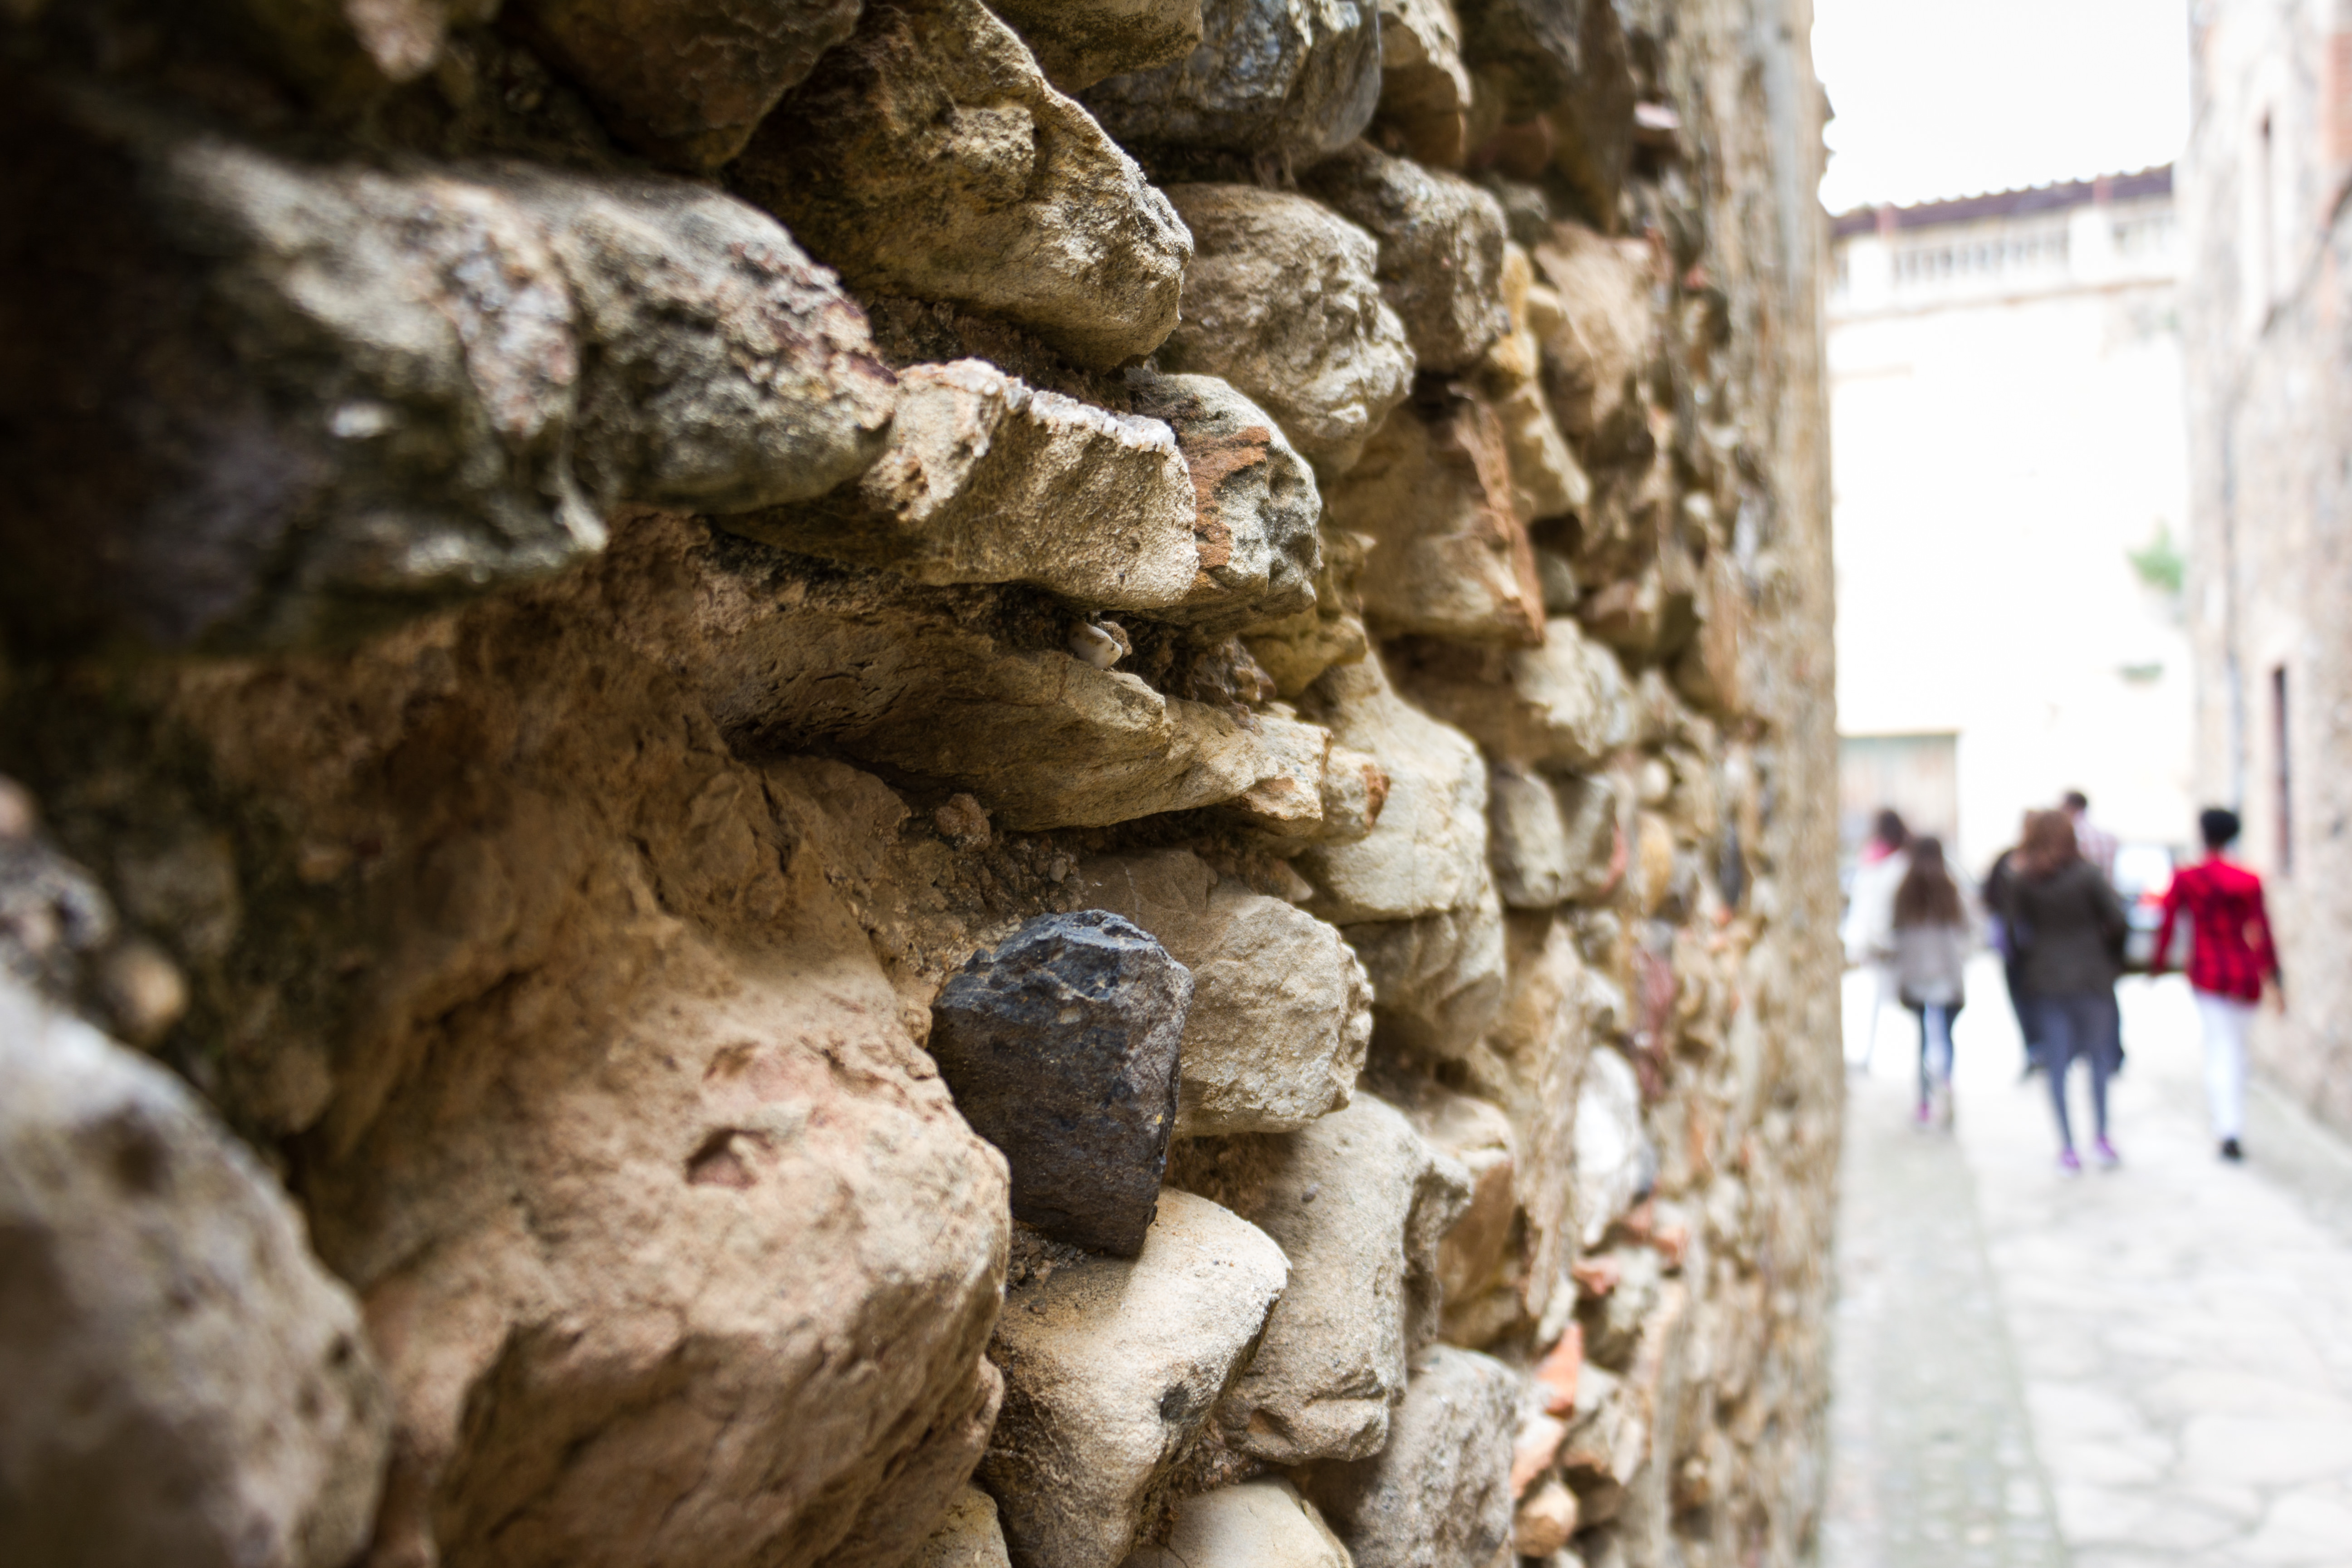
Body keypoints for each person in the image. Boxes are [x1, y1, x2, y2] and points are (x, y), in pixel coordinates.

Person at [2150, 807, 2283, 1161]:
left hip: (2209, 973)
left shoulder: (2189, 878)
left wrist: (2157, 965)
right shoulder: (2247, 879)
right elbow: (2263, 931)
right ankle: (2232, 1123)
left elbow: (2167, 923)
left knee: (2221, 1050)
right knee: (2236, 1050)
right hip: (2245, 974)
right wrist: (2274, 976)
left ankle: (2228, 1128)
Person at [2007, 809, 2129, 1172]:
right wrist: (2111, 957)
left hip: (2047, 979)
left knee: (2057, 1063)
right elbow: (2118, 920)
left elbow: (2013, 933)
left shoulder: (2023, 880)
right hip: (2092, 975)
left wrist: (2030, 963)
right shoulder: (2087, 875)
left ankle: (2068, 1147)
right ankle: (2101, 1137)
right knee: (2098, 1059)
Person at [1891, 837, 1970, 1127]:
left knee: (1924, 1039)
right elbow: (1968, 930)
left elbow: (1895, 934)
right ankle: (1946, 1084)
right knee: (1946, 1037)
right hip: (1946, 976)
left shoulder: (1905, 892)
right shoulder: (1950, 889)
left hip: (1916, 977)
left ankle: (1924, 1101)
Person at [1842, 809, 1911, 1071]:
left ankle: (1872, 1056)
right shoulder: (1895, 862)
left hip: (1877, 941)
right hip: (1882, 941)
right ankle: (1873, 1055)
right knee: (1880, 1001)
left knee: (1877, 1002)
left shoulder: (1879, 861)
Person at [1983, 828, 2043, 1077]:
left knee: (2025, 999)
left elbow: (1988, 896)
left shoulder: (2018, 863)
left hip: (2026, 946)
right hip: (2023, 946)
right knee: (2028, 999)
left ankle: (2037, 1049)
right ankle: (2037, 1049)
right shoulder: (2014, 863)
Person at [2061, 789, 2118, 881]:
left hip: (2082, 888)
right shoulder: (2109, 837)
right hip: (2105, 888)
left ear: (2068, 807)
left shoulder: (2071, 835)